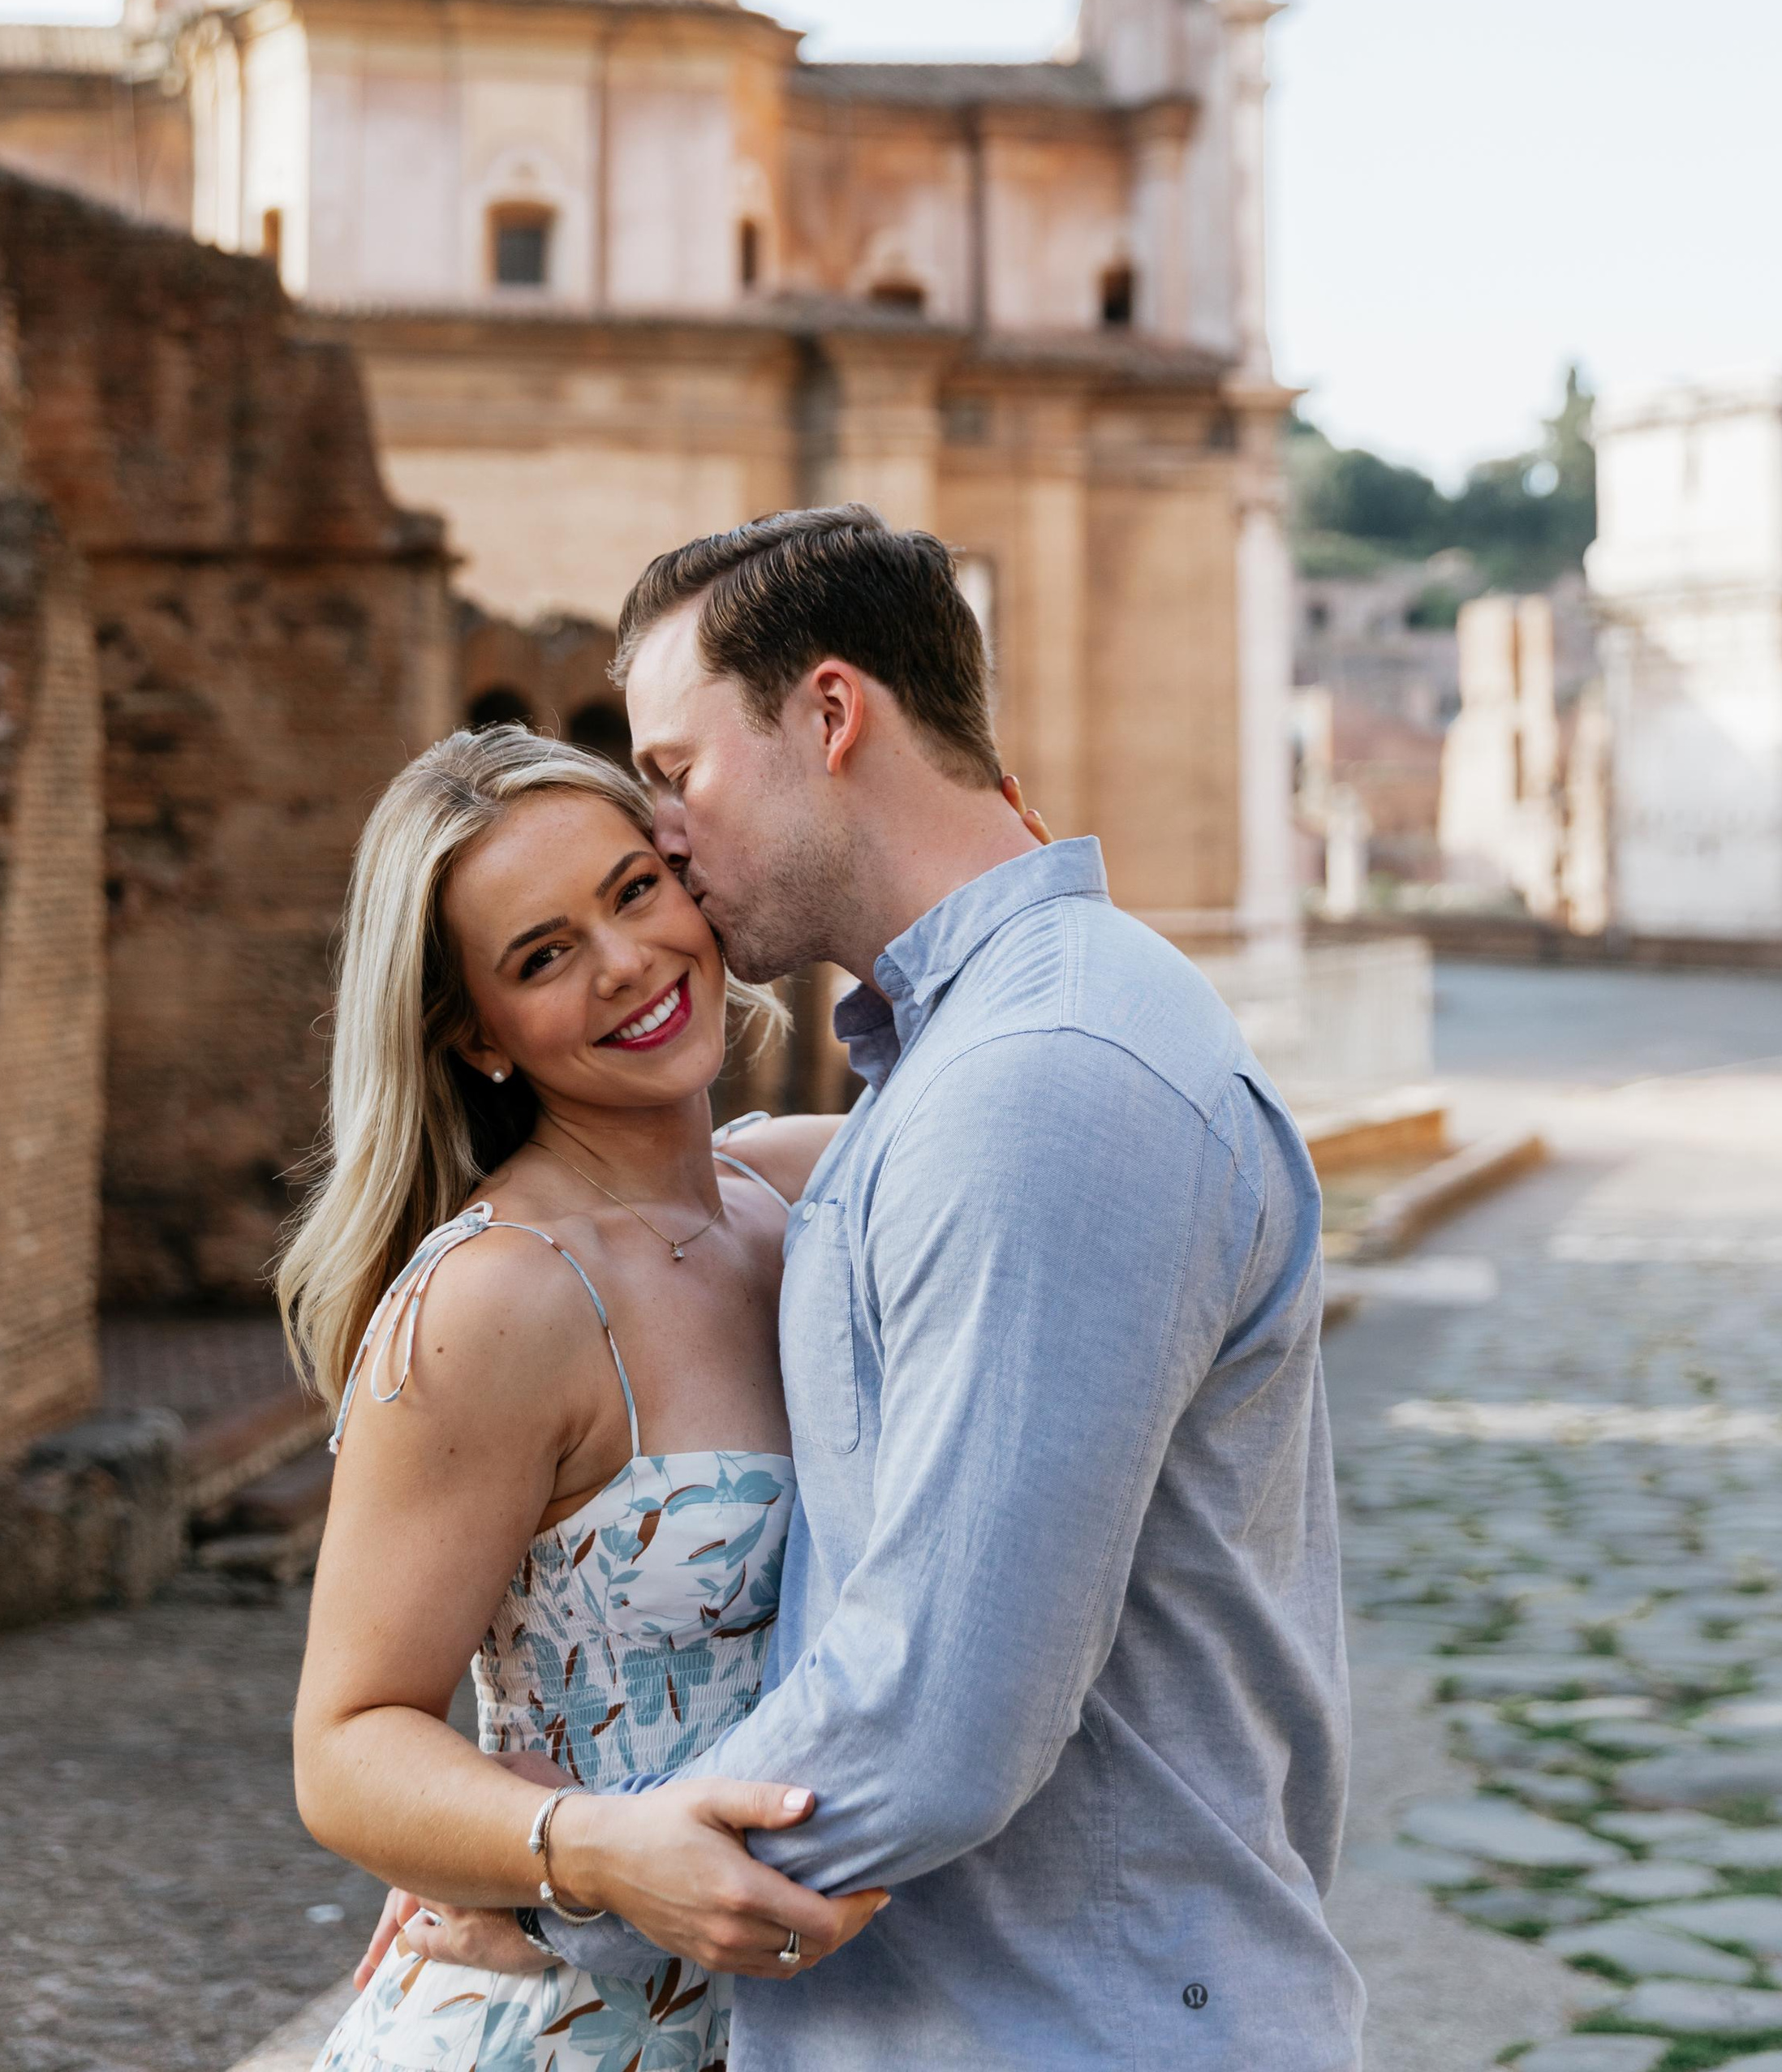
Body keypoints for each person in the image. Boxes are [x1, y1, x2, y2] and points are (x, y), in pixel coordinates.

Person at [490, 503, 1369, 2069]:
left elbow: (929, 1729)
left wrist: (554, 1879)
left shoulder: (1041, 1078)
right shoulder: (991, 1062)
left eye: (677, 773)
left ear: (832, 714)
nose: (663, 837)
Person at [282, 727, 895, 2072]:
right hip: (558, 2031)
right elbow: (346, 1740)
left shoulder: (802, 1191)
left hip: (809, 2025)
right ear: (476, 1037)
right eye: (542, 957)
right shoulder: (500, 1299)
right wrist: (581, 1852)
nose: (625, 964)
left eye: (633, 891)